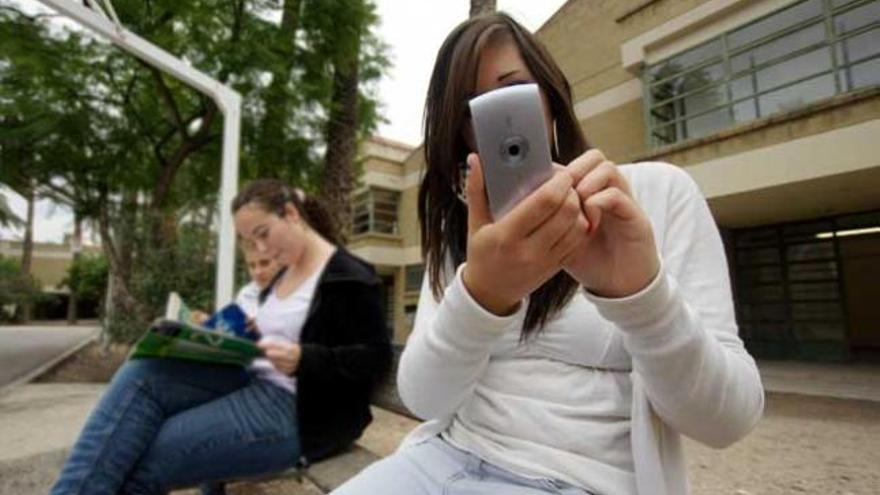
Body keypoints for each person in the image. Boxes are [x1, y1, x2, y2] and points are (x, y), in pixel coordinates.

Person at [331, 13, 764, 495]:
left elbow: (728, 421)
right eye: (472, 110)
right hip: (441, 461)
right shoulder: (467, 230)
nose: (498, 121)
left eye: (513, 91)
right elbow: (424, 398)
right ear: (461, 134)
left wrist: (642, 296)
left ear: (551, 98)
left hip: (580, 481)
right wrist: (481, 295)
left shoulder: (653, 195)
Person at [50, 180, 392, 495]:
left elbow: (376, 358)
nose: (262, 249)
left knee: (139, 460)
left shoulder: (349, 277)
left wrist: (305, 357)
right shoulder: (280, 279)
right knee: (144, 372)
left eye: (265, 234)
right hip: (246, 380)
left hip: (298, 410)